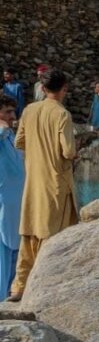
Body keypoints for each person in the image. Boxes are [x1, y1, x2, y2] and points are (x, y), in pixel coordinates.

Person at [8, 69, 78, 302]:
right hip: (57, 181)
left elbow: (20, 142)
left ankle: (18, 287)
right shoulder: (62, 114)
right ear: (64, 89)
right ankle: (47, 287)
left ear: (43, 88)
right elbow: (68, 150)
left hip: (33, 181)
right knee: (53, 236)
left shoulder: (28, 110)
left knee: (29, 233)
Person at [0, 95, 24, 300]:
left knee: (12, 257)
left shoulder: (9, 137)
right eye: (7, 111)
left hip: (14, 209)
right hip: (2, 206)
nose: (12, 116)